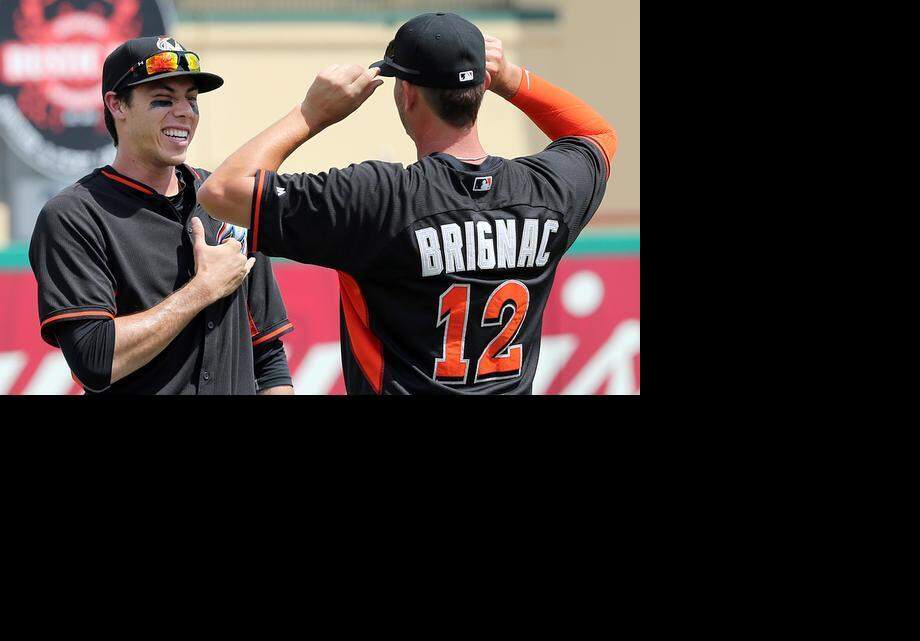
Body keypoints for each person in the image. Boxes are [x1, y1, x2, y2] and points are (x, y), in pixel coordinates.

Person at [198, 13, 616, 394]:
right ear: (481, 88)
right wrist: (513, 78)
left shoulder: (379, 199)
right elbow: (597, 136)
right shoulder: (545, 191)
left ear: (408, 94)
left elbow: (222, 191)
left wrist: (312, 113)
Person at [28, 37, 295, 394]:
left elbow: (269, 359)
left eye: (192, 99)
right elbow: (95, 360)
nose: (184, 111)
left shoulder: (226, 199)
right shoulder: (74, 215)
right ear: (117, 105)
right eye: (163, 100)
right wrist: (201, 291)